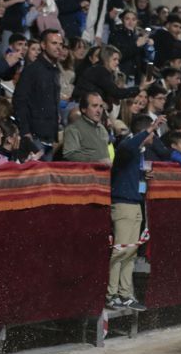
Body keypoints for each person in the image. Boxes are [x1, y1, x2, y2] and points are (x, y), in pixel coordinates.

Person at [106, 114, 166, 311]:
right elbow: (125, 149)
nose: (153, 139)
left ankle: (125, 293)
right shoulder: (126, 144)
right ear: (144, 131)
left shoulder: (139, 152)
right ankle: (111, 294)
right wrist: (149, 129)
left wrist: (142, 174)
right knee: (120, 250)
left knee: (130, 252)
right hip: (123, 204)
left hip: (134, 203)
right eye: (152, 134)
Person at [12, 28, 63, 157]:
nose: (58, 47)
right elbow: (19, 101)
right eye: (54, 43)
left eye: (60, 44)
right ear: (43, 45)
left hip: (49, 137)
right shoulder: (32, 70)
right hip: (35, 137)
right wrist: (25, 132)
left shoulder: (55, 71)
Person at [62, 92, 110, 163]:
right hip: (86, 172)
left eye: (101, 106)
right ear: (83, 109)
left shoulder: (102, 129)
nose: (99, 110)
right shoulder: (73, 129)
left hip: (104, 172)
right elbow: (69, 154)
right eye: (94, 106)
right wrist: (96, 160)